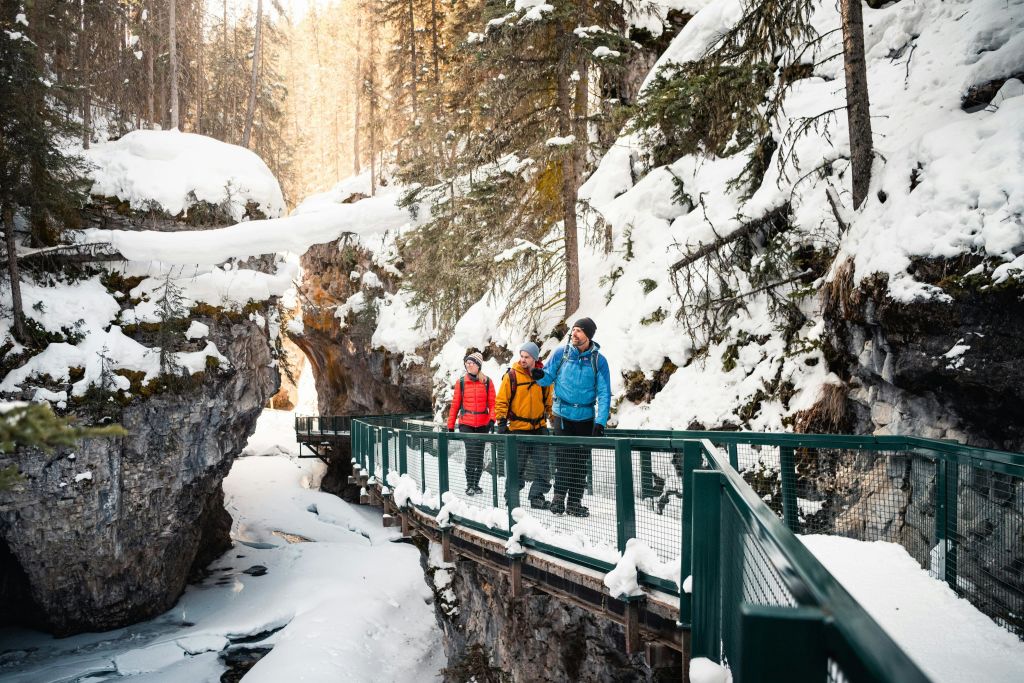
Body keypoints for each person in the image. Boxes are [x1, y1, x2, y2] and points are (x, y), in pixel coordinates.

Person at [532, 317, 611, 517]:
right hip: (563, 415)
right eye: (573, 330)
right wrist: (539, 376)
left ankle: (574, 503)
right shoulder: (562, 353)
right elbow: (548, 376)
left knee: (580, 461)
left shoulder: (599, 361)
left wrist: (600, 423)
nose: (574, 334)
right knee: (564, 459)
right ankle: (558, 500)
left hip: (585, 417)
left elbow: (604, 393)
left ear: (588, 335)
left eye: (579, 330)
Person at [495, 342, 553, 509]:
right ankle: (511, 497)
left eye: (526, 357)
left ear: (535, 358)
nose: (523, 360)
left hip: (539, 428)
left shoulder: (543, 377)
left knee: (543, 466)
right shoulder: (512, 376)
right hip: (518, 429)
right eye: (521, 356)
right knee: (516, 467)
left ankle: (537, 497)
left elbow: (549, 402)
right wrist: (501, 422)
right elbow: (502, 400)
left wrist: (554, 420)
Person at [446, 351, 495, 496]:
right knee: (472, 453)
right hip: (466, 423)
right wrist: (450, 425)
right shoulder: (461, 382)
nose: (468, 365)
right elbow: (455, 405)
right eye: (467, 363)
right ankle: (470, 485)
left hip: (483, 424)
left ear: (478, 365)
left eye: (471, 363)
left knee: (479, 455)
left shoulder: (487, 382)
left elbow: (493, 404)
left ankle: (476, 484)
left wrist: (492, 419)